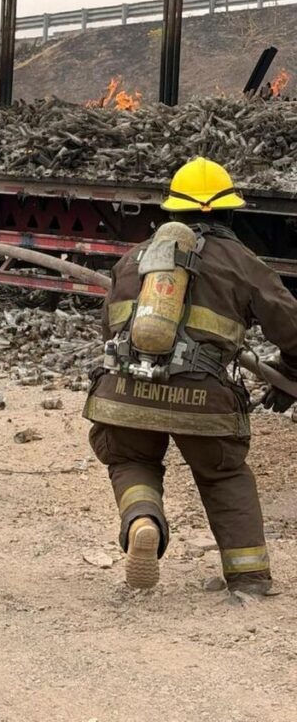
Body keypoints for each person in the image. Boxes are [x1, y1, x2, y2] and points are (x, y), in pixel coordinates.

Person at [84, 157, 297, 594]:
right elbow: (291, 327)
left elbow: (110, 328)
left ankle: (144, 521)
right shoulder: (242, 261)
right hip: (203, 399)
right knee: (223, 475)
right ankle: (249, 577)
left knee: (132, 460)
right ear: (230, 213)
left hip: (124, 392)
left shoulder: (133, 260)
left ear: (171, 212)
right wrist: (289, 372)